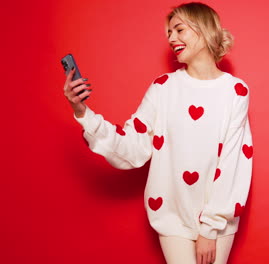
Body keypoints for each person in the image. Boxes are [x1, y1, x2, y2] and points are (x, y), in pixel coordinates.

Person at [63, 2, 253, 264]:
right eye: (169, 33)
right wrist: (83, 112)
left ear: (204, 29)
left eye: (179, 30)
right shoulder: (163, 88)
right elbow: (133, 145)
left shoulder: (236, 91)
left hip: (218, 220)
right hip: (171, 213)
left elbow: (233, 162)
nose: (172, 39)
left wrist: (210, 229)